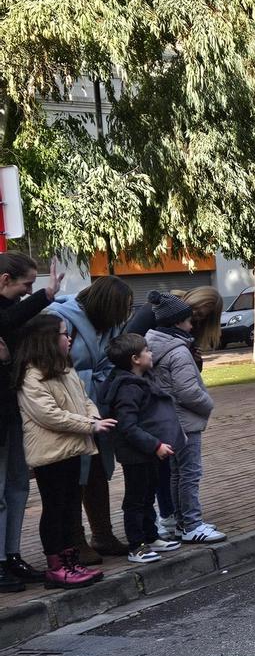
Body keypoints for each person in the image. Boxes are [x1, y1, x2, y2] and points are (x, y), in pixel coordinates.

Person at [14, 315, 113, 589]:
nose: (69, 339)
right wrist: (90, 425)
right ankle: (56, 566)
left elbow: (84, 399)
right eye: (63, 334)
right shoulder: (32, 375)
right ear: (47, 340)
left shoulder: (65, 368)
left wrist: (93, 417)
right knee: (55, 508)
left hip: (72, 449)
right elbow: (48, 415)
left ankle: (71, 560)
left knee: (70, 508)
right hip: (50, 454)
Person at [47, 276, 133, 562]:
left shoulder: (109, 325)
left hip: (97, 405)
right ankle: (74, 539)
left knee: (97, 469)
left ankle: (103, 534)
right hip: (68, 405)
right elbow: (50, 364)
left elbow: (109, 360)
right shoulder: (60, 318)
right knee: (74, 474)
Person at [0, 253, 65, 591]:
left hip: (11, 411)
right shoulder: (8, 314)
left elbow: (13, 326)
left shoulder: (12, 315)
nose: (29, 292)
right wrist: (46, 295)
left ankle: (11, 555)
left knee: (18, 487)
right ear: (4, 280)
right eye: (26, 284)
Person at [145, 291, 225, 543]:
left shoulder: (155, 345)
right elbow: (188, 391)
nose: (193, 325)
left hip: (170, 421)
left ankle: (181, 521)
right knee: (189, 474)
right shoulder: (178, 352)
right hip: (186, 422)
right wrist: (207, 404)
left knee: (177, 474)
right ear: (178, 322)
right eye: (189, 320)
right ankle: (192, 523)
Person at [103, 334, 185, 564]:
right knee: (136, 498)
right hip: (136, 454)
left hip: (149, 452)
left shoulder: (143, 380)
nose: (151, 353)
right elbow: (127, 426)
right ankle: (136, 544)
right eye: (147, 351)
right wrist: (155, 444)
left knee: (149, 494)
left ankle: (151, 535)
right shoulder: (128, 388)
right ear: (135, 359)